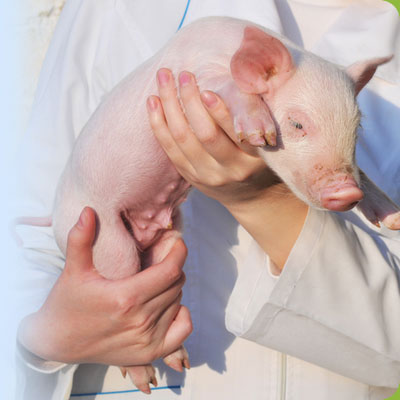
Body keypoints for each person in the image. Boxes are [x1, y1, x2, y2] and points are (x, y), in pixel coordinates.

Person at [15, 0, 400, 399]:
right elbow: (31, 237)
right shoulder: (114, 9)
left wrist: (264, 201)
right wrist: (40, 343)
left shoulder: (388, 41)